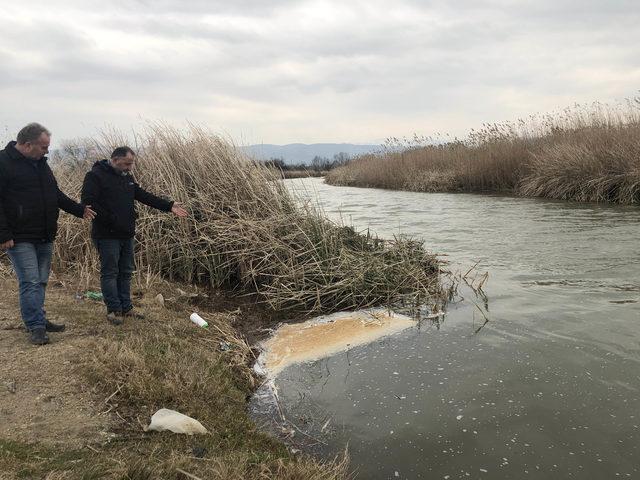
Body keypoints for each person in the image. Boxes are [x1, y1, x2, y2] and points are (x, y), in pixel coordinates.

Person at [0, 123, 96, 345]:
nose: (47, 151)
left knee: (41, 281)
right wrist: (3, 234)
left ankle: (39, 319)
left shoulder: (41, 164)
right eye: (44, 147)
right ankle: (36, 326)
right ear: (27, 144)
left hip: (44, 233)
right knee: (30, 281)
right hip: (19, 235)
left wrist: (79, 210)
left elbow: (55, 193)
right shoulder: (3, 162)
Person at [81, 146, 187, 325]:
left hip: (126, 233)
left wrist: (169, 206)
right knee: (110, 272)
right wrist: (112, 220)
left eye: (132, 164)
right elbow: (88, 203)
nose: (130, 168)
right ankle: (113, 309)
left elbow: (142, 195)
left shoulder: (126, 177)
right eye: (127, 164)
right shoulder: (95, 176)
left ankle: (126, 307)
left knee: (126, 272)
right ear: (115, 160)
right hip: (107, 235)